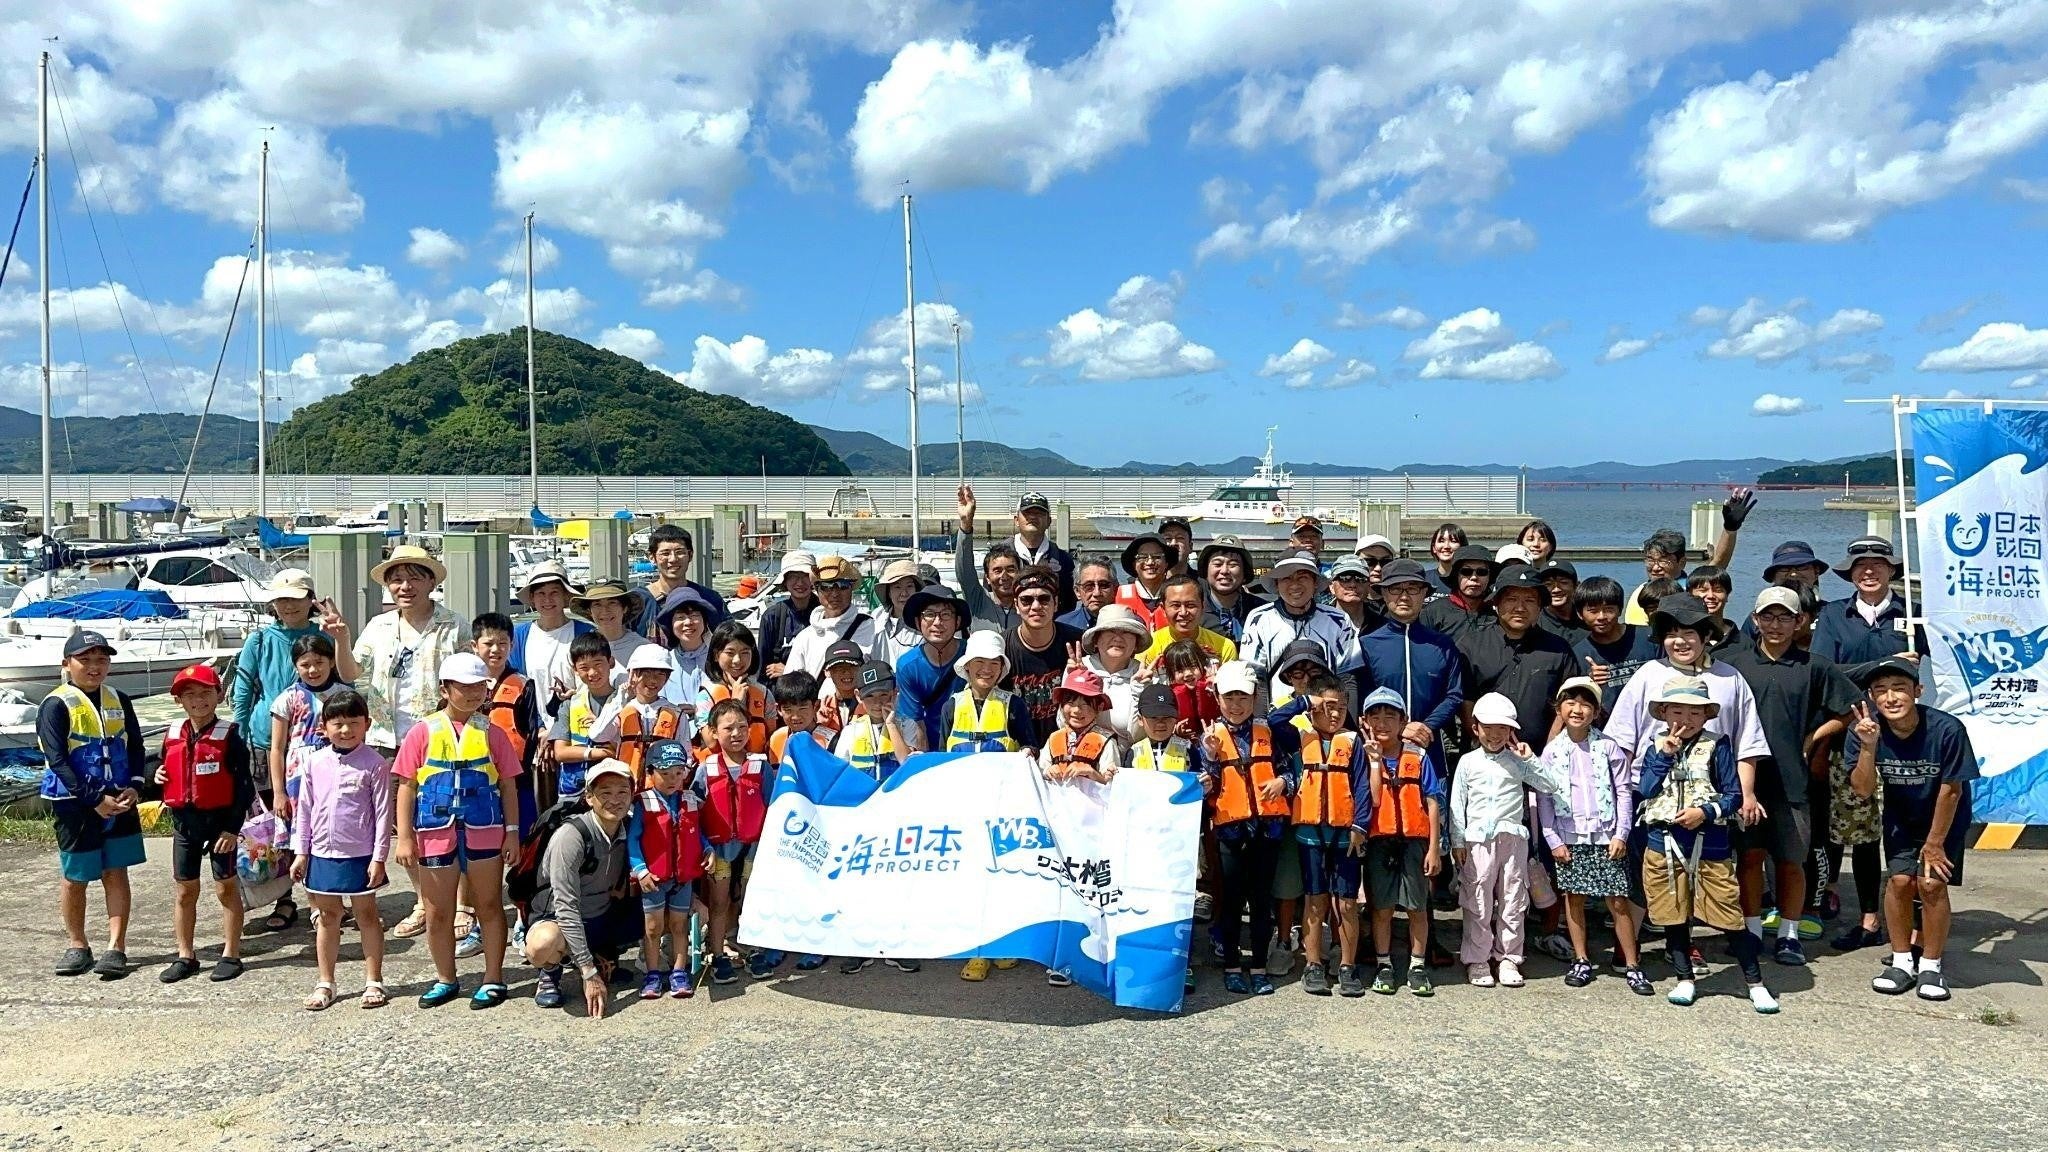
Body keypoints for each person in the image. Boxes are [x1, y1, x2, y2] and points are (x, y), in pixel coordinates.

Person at [1721, 587, 1860, 965]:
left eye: (1785, 617)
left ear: (1801, 622)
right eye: (1768, 616)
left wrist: (1814, 736)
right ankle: (1749, 930)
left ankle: (1789, 934)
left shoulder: (1815, 666)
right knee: (1749, 858)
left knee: (1791, 861)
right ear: (1755, 620)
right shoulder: (1732, 665)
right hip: (1744, 782)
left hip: (1792, 780)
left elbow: (1850, 708)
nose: (1776, 624)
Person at [1636, 676, 1779, 1013]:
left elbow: (1732, 796)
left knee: (1729, 915)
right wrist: (1664, 758)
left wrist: (1704, 812)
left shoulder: (1719, 745)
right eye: (1677, 711)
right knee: (1673, 915)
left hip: (1709, 842)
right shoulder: (1655, 746)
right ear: (1664, 713)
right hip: (1663, 841)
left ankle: (1755, 983)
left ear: (1705, 716)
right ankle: (1684, 978)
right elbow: (1645, 789)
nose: (1685, 719)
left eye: (1694, 712)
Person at [390, 653, 523, 1009]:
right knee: (437, 912)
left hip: (485, 831)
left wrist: (512, 833)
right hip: (435, 833)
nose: (472, 693)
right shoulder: (422, 731)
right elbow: (406, 786)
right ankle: (446, 978)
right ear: (445, 689)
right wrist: (404, 837)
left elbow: (508, 787)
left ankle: (493, 978)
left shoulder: (493, 732)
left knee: (490, 905)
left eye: (479, 686)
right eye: (463, 686)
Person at [1848, 657, 1976, 1002]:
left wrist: (1935, 842)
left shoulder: (1947, 730)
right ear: (1872, 697)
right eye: (1881, 690)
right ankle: (1902, 962)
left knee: (1931, 884)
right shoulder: (1865, 729)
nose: (1890, 697)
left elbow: (1952, 790)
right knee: (1900, 881)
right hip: (1901, 818)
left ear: (1918, 691)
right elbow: (1861, 789)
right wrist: (1868, 748)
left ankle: (1932, 965)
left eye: (1899, 688)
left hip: (1944, 818)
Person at [228, 569, 339, 932]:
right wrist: (239, 734)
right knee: (278, 823)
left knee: (323, 821)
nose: (288, 605)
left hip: (319, 745)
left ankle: (325, 892)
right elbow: (243, 689)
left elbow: (347, 678)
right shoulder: (259, 639)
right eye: (281, 598)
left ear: (311, 600)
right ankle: (284, 897)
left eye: (296, 597)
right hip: (266, 741)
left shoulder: (323, 638)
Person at [40, 631, 148, 979]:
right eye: (85, 659)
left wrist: (134, 785)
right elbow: (57, 760)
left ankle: (116, 946)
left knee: (116, 871)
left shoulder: (119, 698)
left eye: (101, 660)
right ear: (66, 663)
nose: (94, 667)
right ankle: (77, 945)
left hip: (118, 799)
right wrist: (93, 800)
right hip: (76, 804)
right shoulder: (55, 705)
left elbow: (134, 746)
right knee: (76, 877)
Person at [1535, 678, 1650, 994]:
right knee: (1574, 899)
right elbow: (1544, 796)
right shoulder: (1552, 752)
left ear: (1596, 712)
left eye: (1586, 704)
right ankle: (1582, 958)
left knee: (1618, 901)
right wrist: (1553, 839)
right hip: (1569, 837)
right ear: (1559, 709)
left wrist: (1621, 834)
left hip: (1606, 836)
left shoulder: (1608, 746)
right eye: (1570, 702)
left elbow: (1624, 791)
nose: (1578, 709)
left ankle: (1631, 963)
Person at [1448, 693, 1563, 989]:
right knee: (1477, 900)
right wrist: (1458, 841)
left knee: (1514, 898)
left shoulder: (1518, 761)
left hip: (1512, 838)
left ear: (1511, 731)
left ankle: (1510, 957)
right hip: (1476, 841)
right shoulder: (1467, 761)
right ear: (1475, 728)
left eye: (1503, 728)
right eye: (1489, 727)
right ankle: (1477, 958)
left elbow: (1549, 785)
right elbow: (1456, 804)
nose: (1495, 734)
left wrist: (1530, 759)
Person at [288, 689, 392, 1010]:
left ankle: (373, 981)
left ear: (367, 724)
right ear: (324, 727)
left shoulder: (374, 764)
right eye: (338, 724)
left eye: (353, 723)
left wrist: (379, 857)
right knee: (328, 917)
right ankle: (325, 982)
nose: (345, 730)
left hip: (361, 856)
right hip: (321, 854)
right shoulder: (314, 762)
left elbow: (383, 814)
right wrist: (301, 852)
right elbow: (304, 809)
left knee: (367, 916)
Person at [1200, 660, 1298, 996]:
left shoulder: (1267, 733)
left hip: (1266, 831)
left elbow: (1291, 771)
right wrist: (1210, 760)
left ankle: (1257, 966)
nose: (1236, 704)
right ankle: (1231, 964)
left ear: (1255, 696)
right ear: (1217, 697)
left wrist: (1281, 783)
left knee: (1260, 902)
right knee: (1229, 902)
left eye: (1243, 697)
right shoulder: (1209, 737)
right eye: (1229, 697)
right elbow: (1206, 784)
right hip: (1229, 832)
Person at [156, 664, 253, 985]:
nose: (198, 700)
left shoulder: (230, 736)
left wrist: (232, 829)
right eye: (190, 695)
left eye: (205, 693)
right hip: (185, 824)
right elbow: (167, 770)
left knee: (225, 888)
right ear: (179, 700)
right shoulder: (171, 735)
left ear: (219, 696)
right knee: (185, 891)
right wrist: (159, 777)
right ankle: (185, 954)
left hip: (220, 824)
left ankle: (231, 953)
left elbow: (244, 788)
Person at [524, 759, 638, 1016]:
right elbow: (566, 906)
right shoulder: (571, 836)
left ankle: (603, 953)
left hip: (602, 912)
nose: (615, 800)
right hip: (560, 917)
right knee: (542, 944)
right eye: (605, 793)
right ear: (589, 797)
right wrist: (588, 973)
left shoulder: (629, 827)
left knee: (665, 909)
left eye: (623, 792)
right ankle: (550, 971)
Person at [1357, 686, 1443, 996]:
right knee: (1381, 908)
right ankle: (1384, 964)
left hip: (1414, 843)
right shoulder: (1363, 757)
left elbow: (1432, 801)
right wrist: (1376, 763)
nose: (1382, 723)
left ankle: (1417, 966)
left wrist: (1435, 848)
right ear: (1364, 720)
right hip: (1380, 843)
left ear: (1403, 721)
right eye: (1375, 716)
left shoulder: (1418, 756)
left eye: (1390, 716)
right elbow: (1375, 798)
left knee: (1417, 907)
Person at [1291, 672, 1370, 997]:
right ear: (1313, 708)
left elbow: (1363, 787)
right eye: (1327, 707)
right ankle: (1313, 965)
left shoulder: (1353, 743)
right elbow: (1275, 717)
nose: (1335, 714)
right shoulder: (1298, 736)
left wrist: (1359, 826)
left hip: (1345, 834)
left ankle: (1347, 966)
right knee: (1315, 899)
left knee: (1348, 903)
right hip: (1310, 833)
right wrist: (1306, 702)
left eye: (1341, 707)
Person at [265, 633, 349, 932]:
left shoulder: (343, 694)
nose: (313, 670)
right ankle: (317, 907)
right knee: (307, 842)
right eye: (305, 664)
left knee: (337, 837)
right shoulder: (287, 698)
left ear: (330, 662)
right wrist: (278, 792)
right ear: (296, 666)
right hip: (299, 777)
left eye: (319, 662)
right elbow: (276, 748)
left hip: (340, 773)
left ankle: (336, 901)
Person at [1355, 558, 1465, 779]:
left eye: (1412, 588)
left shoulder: (1442, 644)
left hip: (1429, 745)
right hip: (1380, 750)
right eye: (1395, 589)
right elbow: (1361, 697)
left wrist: (1425, 726)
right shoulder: (1367, 644)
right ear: (1384, 593)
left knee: (1432, 810)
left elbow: (1454, 694)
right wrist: (1394, 728)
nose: (1404, 596)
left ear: (1424, 593)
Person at [1457, 565, 1578, 753]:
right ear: (1496, 603)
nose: (1520, 608)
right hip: (1484, 756)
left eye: (1529, 600)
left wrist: (1550, 749)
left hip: (1541, 757)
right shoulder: (1470, 646)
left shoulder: (1558, 649)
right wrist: (1486, 744)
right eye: (1511, 599)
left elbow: (1566, 701)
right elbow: (1465, 702)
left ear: (1539, 606)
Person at [626, 739, 706, 1000]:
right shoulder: (643, 803)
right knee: (652, 928)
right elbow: (633, 839)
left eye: (678, 773)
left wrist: (708, 851)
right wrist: (640, 870)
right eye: (664, 774)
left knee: (680, 925)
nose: (672, 780)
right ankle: (652, 973)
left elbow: (698, 834)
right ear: (650, 773)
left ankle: (679, 972)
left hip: (683, 879)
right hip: (653, 879)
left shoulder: (690, 800)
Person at [699, 699, 770, 983]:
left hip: (753, 849)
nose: (737, 733)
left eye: (743, 727)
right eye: (729, 728)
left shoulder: (761, 766)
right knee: (719, 904)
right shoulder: (705, 769)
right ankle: (717, 955)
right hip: (720, 851)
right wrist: (704, 846)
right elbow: (695, 813)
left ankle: (753, 950)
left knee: (751, 902)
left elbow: (773, 804)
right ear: (714, 732)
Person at [1622, 490, 1753, 626]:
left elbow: (1718, 564)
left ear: (1682, 562)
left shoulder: (1691, 591)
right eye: (1650, 560)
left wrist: (1730, 529)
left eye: (1663, 560)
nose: (1655, 567)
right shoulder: (1641, 592)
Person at [1242, 552, 1358, 692]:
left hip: (1326, 711)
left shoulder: (1339, 620)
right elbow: (1255, 677)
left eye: (1302, 577)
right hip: (1278, 711)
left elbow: (1348, 677)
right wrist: (1265, 715)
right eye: (1286, 578)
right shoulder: (1259, 618)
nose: (1294, 585)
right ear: (1276, 584)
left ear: (1315, 582)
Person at [1004, 568, 1085, 739]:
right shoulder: (1002, 646)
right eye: (1026, 600)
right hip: (1016, 746)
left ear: (1055, 603)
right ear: (1016, 606)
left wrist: (1081, 677)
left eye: (1044, 599)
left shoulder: (1078, 642)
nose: (1035, 606)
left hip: (1065, 743)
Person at [592, 646, 689, 785]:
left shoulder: (676, 714)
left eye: (660, 674)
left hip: (662, 790)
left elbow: (687, 754)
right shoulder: (620, 708)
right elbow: (597, 735)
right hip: (627, 789)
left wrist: (676, 779)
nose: (653, 681)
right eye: (647, 673)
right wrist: (621, 698)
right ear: (633, 674)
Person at [505, 561, 592, 712]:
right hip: (530, 727)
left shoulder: (587, 634)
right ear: (532, 598)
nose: (547, 600)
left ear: (566, 596)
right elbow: (514, 683)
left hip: (577, 721)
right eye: (541, 593)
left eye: (554, 593)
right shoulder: (517, 636)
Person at [1571, 576, 1660, 717]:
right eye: (1593, 611)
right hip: (1609, 729)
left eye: (1608, 609)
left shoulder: (1650, 638)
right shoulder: (1577, 654)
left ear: (1620, 609)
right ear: (1580, 614)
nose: (1601, 617)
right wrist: (1590, 684)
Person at [549, 632, 622, 802]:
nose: (592, 672)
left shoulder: (624, 702)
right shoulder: (569, 704)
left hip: (614, 792)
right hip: (574, 795)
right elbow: (560, 752)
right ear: (574, 669)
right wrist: (598, 753)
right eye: (584, 667)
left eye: (598, 664)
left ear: (610, 662)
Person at [893, 584, 968, 751]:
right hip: (931, 748)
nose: (937, 622)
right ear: (918, 622)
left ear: (958, 621)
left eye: (946, 614)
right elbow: (917, 723)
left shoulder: (972, 655)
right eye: (929, 614)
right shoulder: (907, 666)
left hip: (971, 746)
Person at [630, 524, 729, 638]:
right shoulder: (636, 601)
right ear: (652, 557)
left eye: (679, 552)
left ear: (690, 555)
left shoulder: (710, 599)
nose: (673, 559)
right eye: (665, 553)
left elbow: (727, 640)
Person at [941, 629, 1033, 752]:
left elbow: (1030, 745)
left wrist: (1029, 750)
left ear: (1001, 668)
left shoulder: (1015, 705)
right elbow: (941, 753)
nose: (987, 669)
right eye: (979, 661)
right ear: (967, 665)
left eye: (994, 663)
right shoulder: (951, 706)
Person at [786, 555, 879, 675]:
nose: (835, 593)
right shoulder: (805, 637)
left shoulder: (873, 629)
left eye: (842, 585)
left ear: (852, 588)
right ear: (817, 590)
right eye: (826, 587)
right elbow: (792, 684)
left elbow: (885, 678)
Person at [697, 620, 774, 756]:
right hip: (719, 772)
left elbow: (772, 736)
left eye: (745, 653)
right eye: (730, 653)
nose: (737, 660)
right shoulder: (706, 695)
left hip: (756, 768)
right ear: (716, 655)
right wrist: (735, 703)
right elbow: (712, 743)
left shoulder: (763, 693)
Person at [955, 485, 1024, 631]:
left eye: (1011, 569)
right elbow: (964, 570)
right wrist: (966, 525)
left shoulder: (1028, 606)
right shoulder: (978, 601)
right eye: (997, 570)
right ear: (987, 577)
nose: (1004, 576)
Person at [1081, 604, 1149, 739]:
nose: (1118, 638)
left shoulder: (1144, 675)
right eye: (1110, 631)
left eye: (1126, 632)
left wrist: (1140, 692)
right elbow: (1063, 724)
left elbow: (1141, 738)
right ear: (1096, 640)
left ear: (1136, 643)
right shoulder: (1080, 667)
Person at [1044, 667, 1121, 786]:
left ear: (1099, 707)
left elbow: (1113, 785)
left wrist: (1092, 773)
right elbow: (1040, 771)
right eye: (1070, 703)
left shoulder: (1106, 740)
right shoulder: (1054, 738)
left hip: (1092, 803)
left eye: (1085, 705)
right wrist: (1047, 771)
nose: (1076, 710)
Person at [1141, 574, 1238, 668]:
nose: (1183, 613)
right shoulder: (1149, 647)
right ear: (1163, 609)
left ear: (1202, 606)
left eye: (1190, 605)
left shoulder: (1224, 647)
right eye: (1176, 605)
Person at [755, 550, 819, 676]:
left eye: (805, 575)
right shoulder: (772, 617)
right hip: (780, 692)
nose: (800, 583)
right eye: (794, 576)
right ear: (785, 581)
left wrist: (789, 670)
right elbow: (763, 668)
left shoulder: (825, 614)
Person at [1009, 491, 1077, 609]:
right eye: (1027, 513)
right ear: (1016, 520)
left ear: (1049, 521)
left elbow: (1069, 602)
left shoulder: (1063, 559)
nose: (1033, 517)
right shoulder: (1000, 556)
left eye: (1039, 513)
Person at [653, 587, 715, 711]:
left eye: (694, 615)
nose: (688, 622)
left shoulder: (718, 659)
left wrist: (698, 710)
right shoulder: (663, 662)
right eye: (680, 617)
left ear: (705, 621)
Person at [1197, 535, 1264, 643]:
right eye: (1217, 564)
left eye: (1233, 564)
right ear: (1205, 571)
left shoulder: (1262, 612)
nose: (1224, 571)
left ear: (1245, 573)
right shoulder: (1193, 612)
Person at [576, 580, 653, 671]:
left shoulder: (644, 649)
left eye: (612, 603)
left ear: (625, 608)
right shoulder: (579, 648)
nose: (605, 610)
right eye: (597, 604)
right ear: (589, 611)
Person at [1420, 544, 1494, 640]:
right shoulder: (1433, 612)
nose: (1474, 577)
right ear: (1456, 576)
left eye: (1482, 572)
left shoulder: (1499, 615)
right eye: (1466, 571)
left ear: (1489, 577)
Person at [1115, 534, 1177, 632]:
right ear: (1134, 564)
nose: (1150, 562)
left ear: (1166, 563)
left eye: (1157, 557)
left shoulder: (1177, 594)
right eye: (1142, 557)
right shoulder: (1117, 595)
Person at [873, 558, 928, 666]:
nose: (904, 593)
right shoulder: (876, 618)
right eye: (897, 587)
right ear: (888, 592)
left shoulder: (928, 621)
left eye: (909, 586)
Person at [1326, 556, 1384, 640]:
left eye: (1360, 578)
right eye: (1345, 578)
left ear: (1368, 586)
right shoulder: (1319, 622)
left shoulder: (1382, 624)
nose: (1352, 585)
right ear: (1331, 587)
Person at [1535, 558, 1586, 646]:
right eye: (1548, 584)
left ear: (1576, 586)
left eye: (1563, 582)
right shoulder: (1535, 624)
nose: (1556, 589)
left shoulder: (1588, 620)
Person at [1057, 559, 1119, 631]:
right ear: (1077, 592)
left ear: (1115, 589)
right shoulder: (1062, 626)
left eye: (1103, 585)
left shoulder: (1130, 624)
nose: (1097, 593)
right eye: (1089, 586)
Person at [1424, 523, 1468, 596]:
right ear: (1434, 548)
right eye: (1441, 541)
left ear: (1463, 547)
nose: (1446, 546)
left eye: (1453, 541)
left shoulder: (1469, 581)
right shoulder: (1424, 579)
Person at [1158, 516, 1196, 580]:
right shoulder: (1149, 583)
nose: (1173, 543)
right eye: (1168, 538)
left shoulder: (1204, 585)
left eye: (1180, 538)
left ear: (1190, 546)